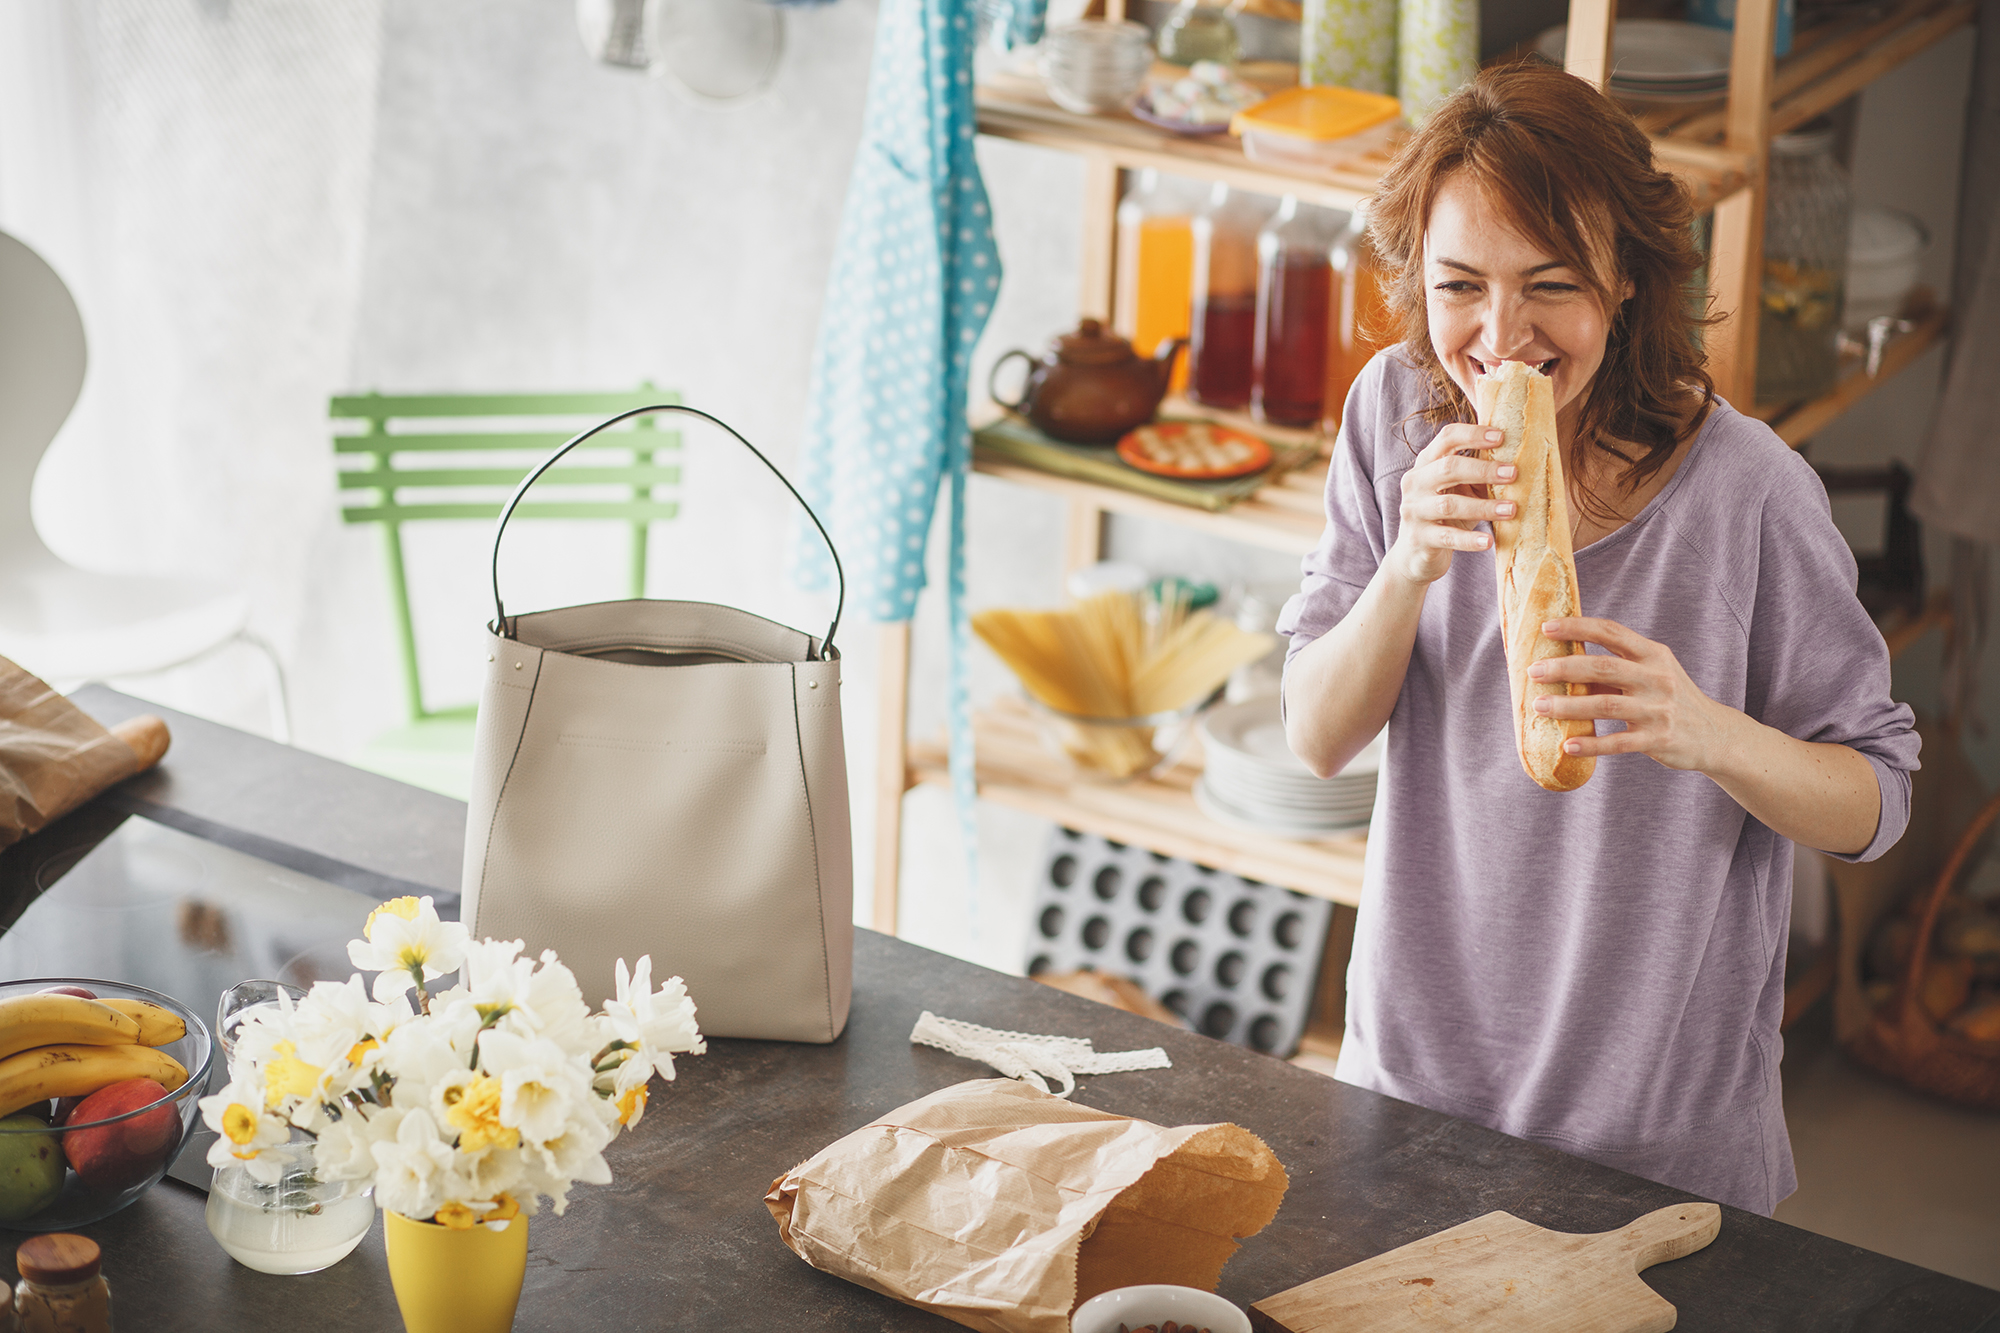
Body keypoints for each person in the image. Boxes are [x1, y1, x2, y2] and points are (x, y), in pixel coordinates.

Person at [1277, 61, 1919, 1216]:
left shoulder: (1750, 495)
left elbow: (1876, 803)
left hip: (1659, 1154)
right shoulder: (1389, 415)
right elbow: (1315, 736)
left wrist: (1706, 732)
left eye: (1550, 285)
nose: (1500, 336)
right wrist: (1408, 566)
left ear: (1624, 279)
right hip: (1407, 1105)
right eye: (1458, 285)